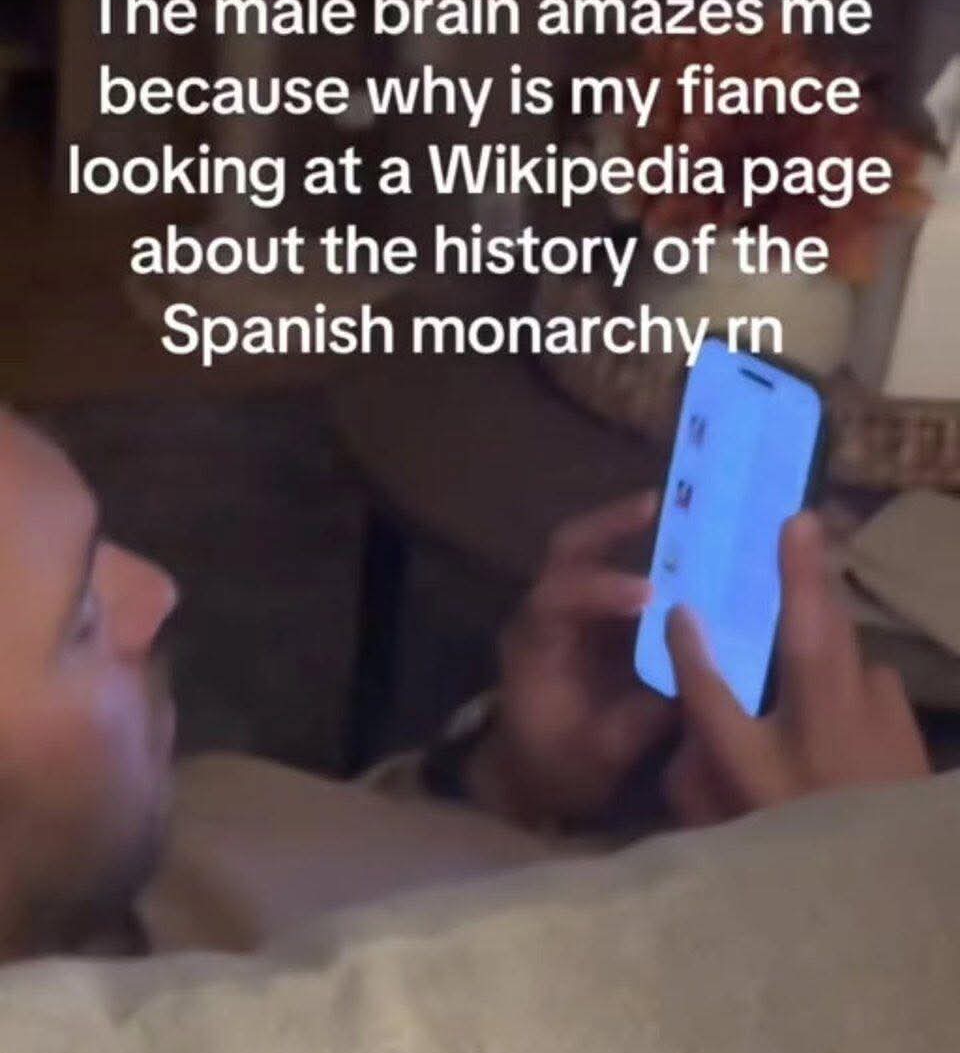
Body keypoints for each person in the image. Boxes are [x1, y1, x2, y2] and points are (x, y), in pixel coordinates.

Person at [0, 409, 930, 960]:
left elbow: (331, 877)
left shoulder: (158, 823)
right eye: (80, 622)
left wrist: (501, 787)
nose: (158, 593)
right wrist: (874, 902)